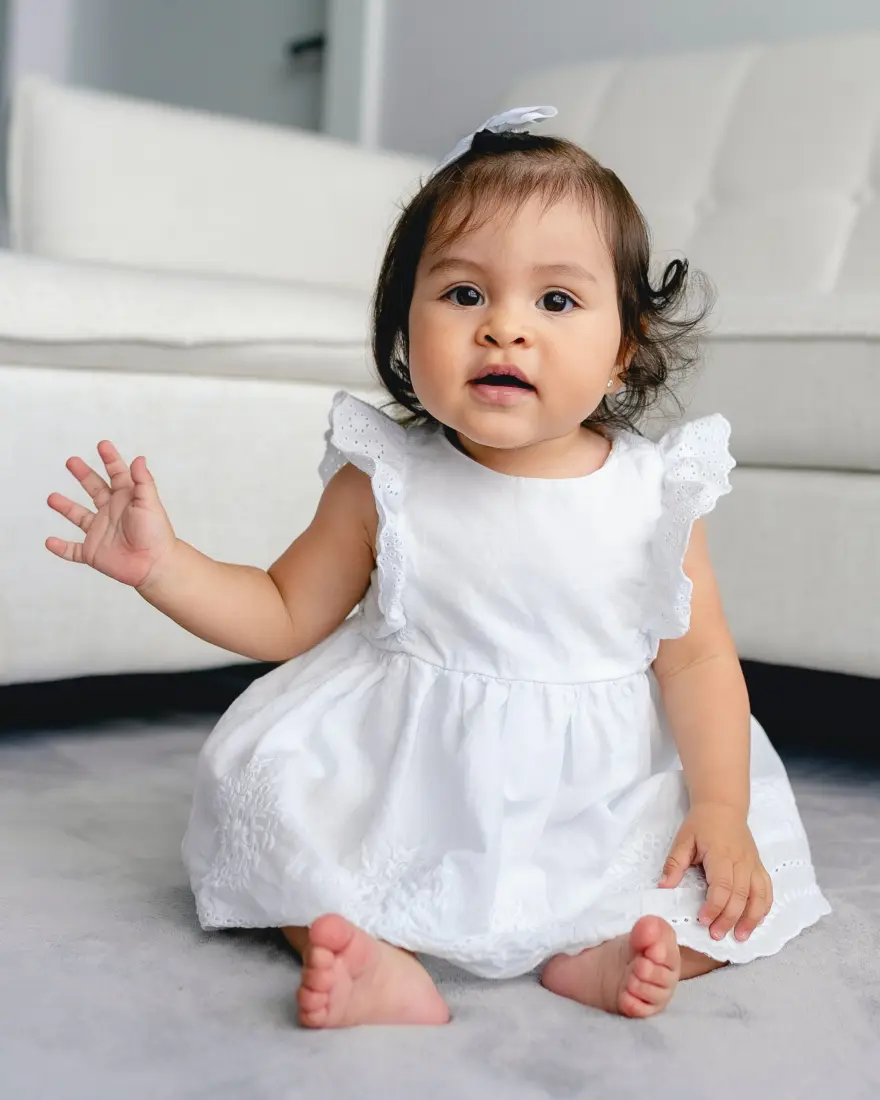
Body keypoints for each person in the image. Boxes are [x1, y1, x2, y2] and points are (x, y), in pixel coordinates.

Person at [46, 106, 831, 1029]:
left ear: (623, 351)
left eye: (556, 301)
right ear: (402, 327)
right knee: (278, 820)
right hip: (406, 767)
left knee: (724, 882)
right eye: (463, 295)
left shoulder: (654, 493)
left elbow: (696, 661)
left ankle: (606, 953)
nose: (505, 329)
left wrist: (722, 804)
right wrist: (164, 566)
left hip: (598, 781)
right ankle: (374, 960)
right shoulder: (389, 479)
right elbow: (282, 611)